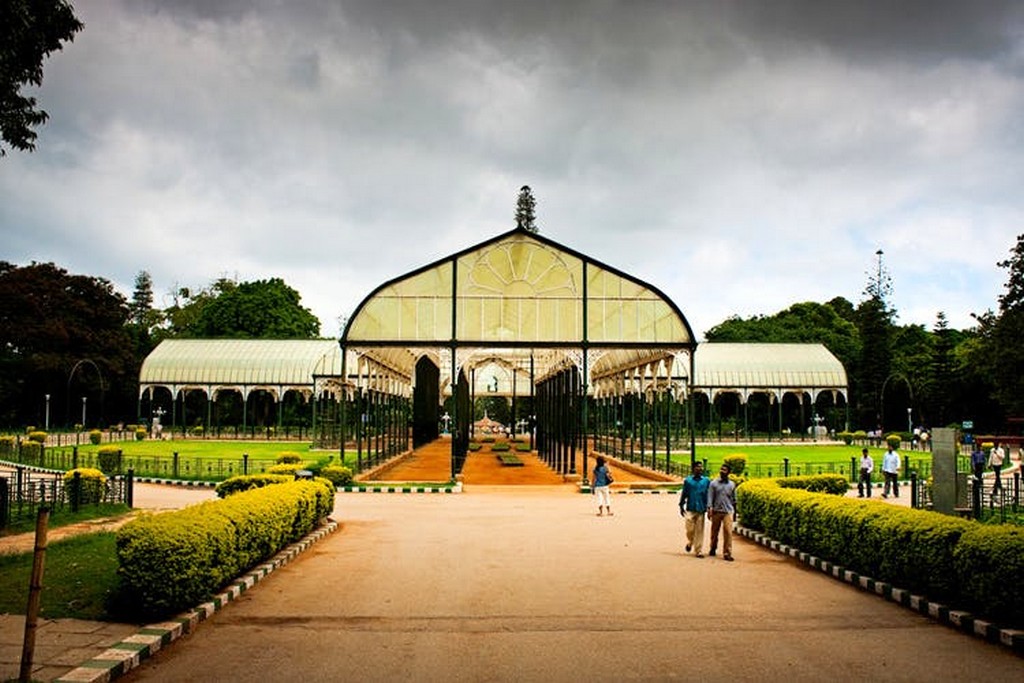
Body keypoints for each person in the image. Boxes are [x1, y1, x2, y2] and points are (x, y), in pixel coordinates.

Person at [678, 461, 710, 558]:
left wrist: (709, 507)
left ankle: (698, 550)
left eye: (701, 467)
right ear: (693, 469)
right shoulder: (688, 481)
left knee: (699, 531)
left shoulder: (706, 481)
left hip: (701, 508)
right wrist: (681, 505)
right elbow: (684, 493)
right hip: (690, 508)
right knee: (690, 529)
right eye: (697, 467)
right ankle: (690, 542)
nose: (700, 469)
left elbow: (708, 495)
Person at [707, 464, 737, 561]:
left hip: (728, 511)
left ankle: (727, 553)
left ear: (728, 472)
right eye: (721, 469)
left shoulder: (732, 484)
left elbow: (734, 499)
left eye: (724, 470)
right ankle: (713, 547)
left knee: (728, 532)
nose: (722, 471)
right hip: (716, 511)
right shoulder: (713, 483)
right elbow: (710, 497)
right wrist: (709, 509)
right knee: (714, 532)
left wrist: (735, 512)